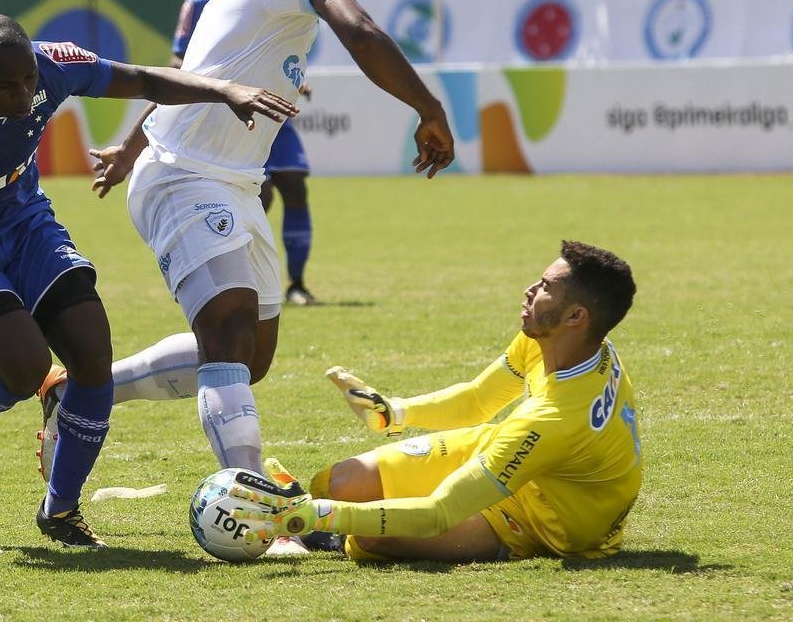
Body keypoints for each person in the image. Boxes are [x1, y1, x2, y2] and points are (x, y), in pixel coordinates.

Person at [40, 0, 454, 491]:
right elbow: (361, 35)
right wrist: (429, 106)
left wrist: (131, 147)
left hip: (231, 181)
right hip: (187, 175)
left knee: (250, 358)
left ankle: (75, 385)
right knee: (229, 335)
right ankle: (254, 496)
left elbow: (196, 69)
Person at [0, 14, 297, 548]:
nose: (23, 94)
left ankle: (60, 509)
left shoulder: (52, 63)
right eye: (7, 86)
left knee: (91, 355)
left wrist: (223, 91)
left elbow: (144, 80)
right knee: (27, 365)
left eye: (28, 81)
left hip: (26, 223)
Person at [228, 241, 642, 564]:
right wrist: (396, 412)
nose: (530, 291)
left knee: (373, 536)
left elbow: (438, 512)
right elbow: (480, 399)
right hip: (518, 453)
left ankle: (319, 531)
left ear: (576, 316)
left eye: (547, 288)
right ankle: (316, 519)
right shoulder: (565, 340)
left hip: (549, 522)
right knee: (343, 483)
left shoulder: (551, 418)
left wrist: (320, 516)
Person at [173, 0, 320, 305]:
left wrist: (293, 79)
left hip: (273, 107)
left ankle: (298, 284)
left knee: (295, 187)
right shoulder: (197, 2)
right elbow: (180, 61)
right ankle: (238, 274)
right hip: (228, 114)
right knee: (258, 194)